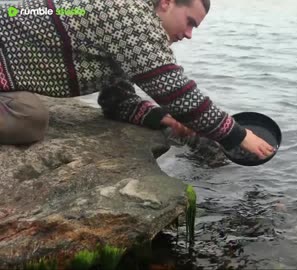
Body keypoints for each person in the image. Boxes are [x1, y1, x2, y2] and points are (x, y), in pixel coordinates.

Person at [0, 0, 275, 159]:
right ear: (166, 2)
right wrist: (236, 134)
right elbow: (174, 88)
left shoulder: (121, 18)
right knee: (29, 119)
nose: (189, 34)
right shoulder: (130, 15)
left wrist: (165, 118)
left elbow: (115, 100)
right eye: (190, 21)